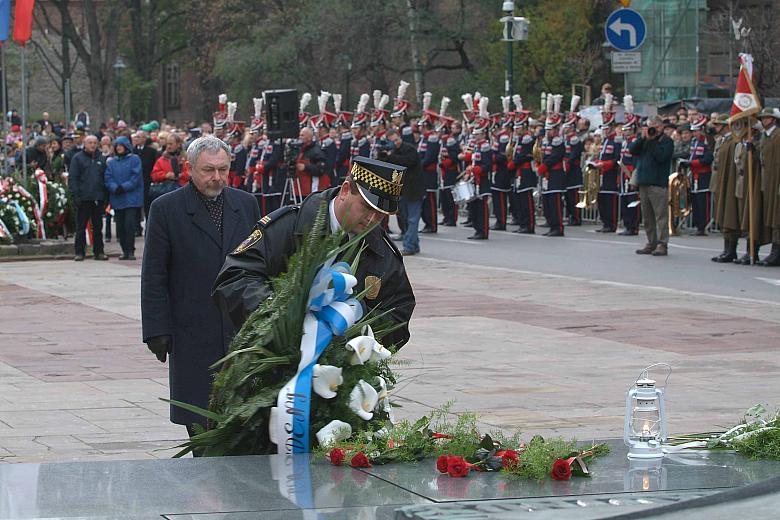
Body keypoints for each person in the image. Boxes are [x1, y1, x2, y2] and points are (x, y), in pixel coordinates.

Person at [212, 155, 415, 350]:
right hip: (274, 359)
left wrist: (354, 331)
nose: (372, 219)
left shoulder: (381, 250)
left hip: (341, 375)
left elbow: (399, 312)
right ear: (345, 190)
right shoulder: (290, 227)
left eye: (380, 215)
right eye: (366, 208)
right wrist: (281, 317)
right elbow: (235, 278)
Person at [141, 135, 260, 439]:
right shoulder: (166, 209)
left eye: (223, 169)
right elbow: (154, 275)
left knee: (243, 424)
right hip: (192, 330)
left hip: (239, 331)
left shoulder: (246, 204)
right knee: (200, 424)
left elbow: (262, 263)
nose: (217, 177)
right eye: (209, 170)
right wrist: (157, 330)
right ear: (190, 168)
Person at [631, 116, 674, 256]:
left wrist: (653, 140)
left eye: (656, 126)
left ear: (662, 127)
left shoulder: (666, 141)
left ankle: (662, 244)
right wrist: (642, 138)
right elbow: (633, 150)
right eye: (651, 126)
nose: (653, 129)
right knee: (647, 216)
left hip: (657, 182)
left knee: (660, 216)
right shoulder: (645, 139)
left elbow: (661, 157)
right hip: (643, 181)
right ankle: (651, 242)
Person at [382, 127, 423, 255]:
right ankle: (414, 244)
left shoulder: (409, 149)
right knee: (405, 218)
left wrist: (391, 156)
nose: (396, 142)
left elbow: (407, 162)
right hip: (403, 190)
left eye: (397, 139)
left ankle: (409, 245)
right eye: (393, 141)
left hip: (414, 189)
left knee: (412, 218)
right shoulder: (393, 151)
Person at [68, 135, 109, 261]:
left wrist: (105, 196)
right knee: (81, 227)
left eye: (95, 143)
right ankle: (79, 252)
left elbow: (105, 177)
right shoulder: (78, 158)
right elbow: (73, 178)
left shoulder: (101, 158)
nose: (92, 145)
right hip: (83, 198)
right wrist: (75, 195)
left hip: (98, 197)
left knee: (98, 227)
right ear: (84, 144)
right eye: (90, 142)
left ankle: (99, 252)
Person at [105, 136, 143, 260]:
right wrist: (114, 187)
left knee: (129, 225)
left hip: (131, 198)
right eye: (117, 145)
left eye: (121, 145)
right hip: (117, 198)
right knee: (120, 226)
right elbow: (108, 177)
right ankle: (124, 250)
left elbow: (135, 177)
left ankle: (130, 250)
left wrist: (124, 187)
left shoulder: (134, 159)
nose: (119, 147)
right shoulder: (112, 162)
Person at [757, 108, 780, 266]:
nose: (764, 120)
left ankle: (776, 252)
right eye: (763, 118)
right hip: (768, 180)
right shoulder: (765, 136)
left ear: (773, 119)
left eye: (767, 117)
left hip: (776, 180)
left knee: (777, 216)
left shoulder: (777, 135)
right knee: (771, 216)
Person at [133, 130, 160, 222]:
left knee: (147, 205)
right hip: (135, 182)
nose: (137, 139)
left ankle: (148, 225)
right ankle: (137, 227)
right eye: (136, 137)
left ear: (144, 139)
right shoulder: (132, 151)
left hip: (147, 181)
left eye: (139, 137)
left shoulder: (152, 151)